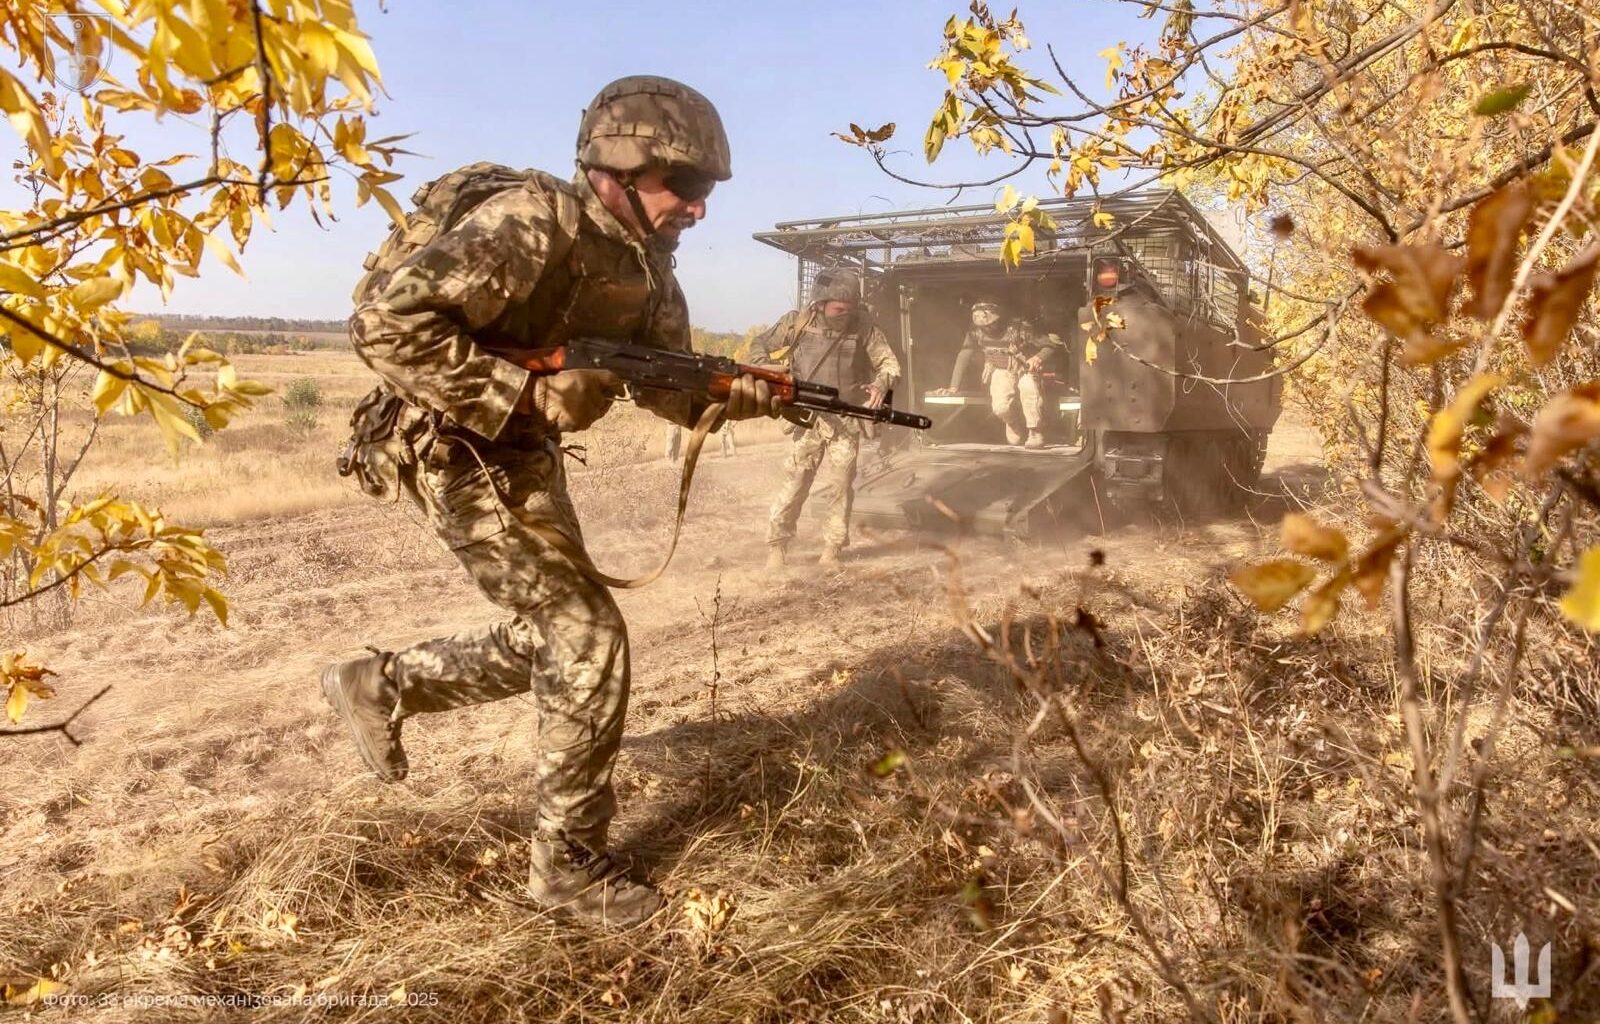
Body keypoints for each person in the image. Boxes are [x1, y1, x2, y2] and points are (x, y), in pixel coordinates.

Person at [322, 76, 781, 928]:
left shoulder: (648, 266)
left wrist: (734, 396)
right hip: (449, 445)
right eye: (686, 187)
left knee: (563, 634)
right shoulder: (533, 223)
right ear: (621, 165)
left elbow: (668, 385)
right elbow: (385, 326)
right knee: (585, 634)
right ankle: (567, 869)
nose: (698, 209)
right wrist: (523, 397)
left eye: (708, 191)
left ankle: (382, 684)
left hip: (519, 457)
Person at [749, 268, 899, 568]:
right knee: (796, 482)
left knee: (841, 485)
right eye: (838, 309)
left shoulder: (864, 326)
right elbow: (758, 346)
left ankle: (833, 548)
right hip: (805, 417)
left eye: (850, 309)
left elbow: (889, 364)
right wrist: (770, 375)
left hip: (846, 417)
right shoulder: (798, 322)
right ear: (820, 304)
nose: (845, 315)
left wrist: (881, 384)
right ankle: (777, 546)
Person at [933, 301, 1056, 448]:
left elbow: (1050, 346)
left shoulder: (1020, 329)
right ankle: (1012, 422)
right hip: (1002, 370)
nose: (987, 329)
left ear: (1000, 319)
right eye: (983, 327)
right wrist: (953, 387)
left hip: (1025, 370)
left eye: (991, 324)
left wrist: (1037, 358)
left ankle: (1035, 431)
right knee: (999, 406)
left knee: (1029, 389)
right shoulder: (975, 331)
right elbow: (965, 353)